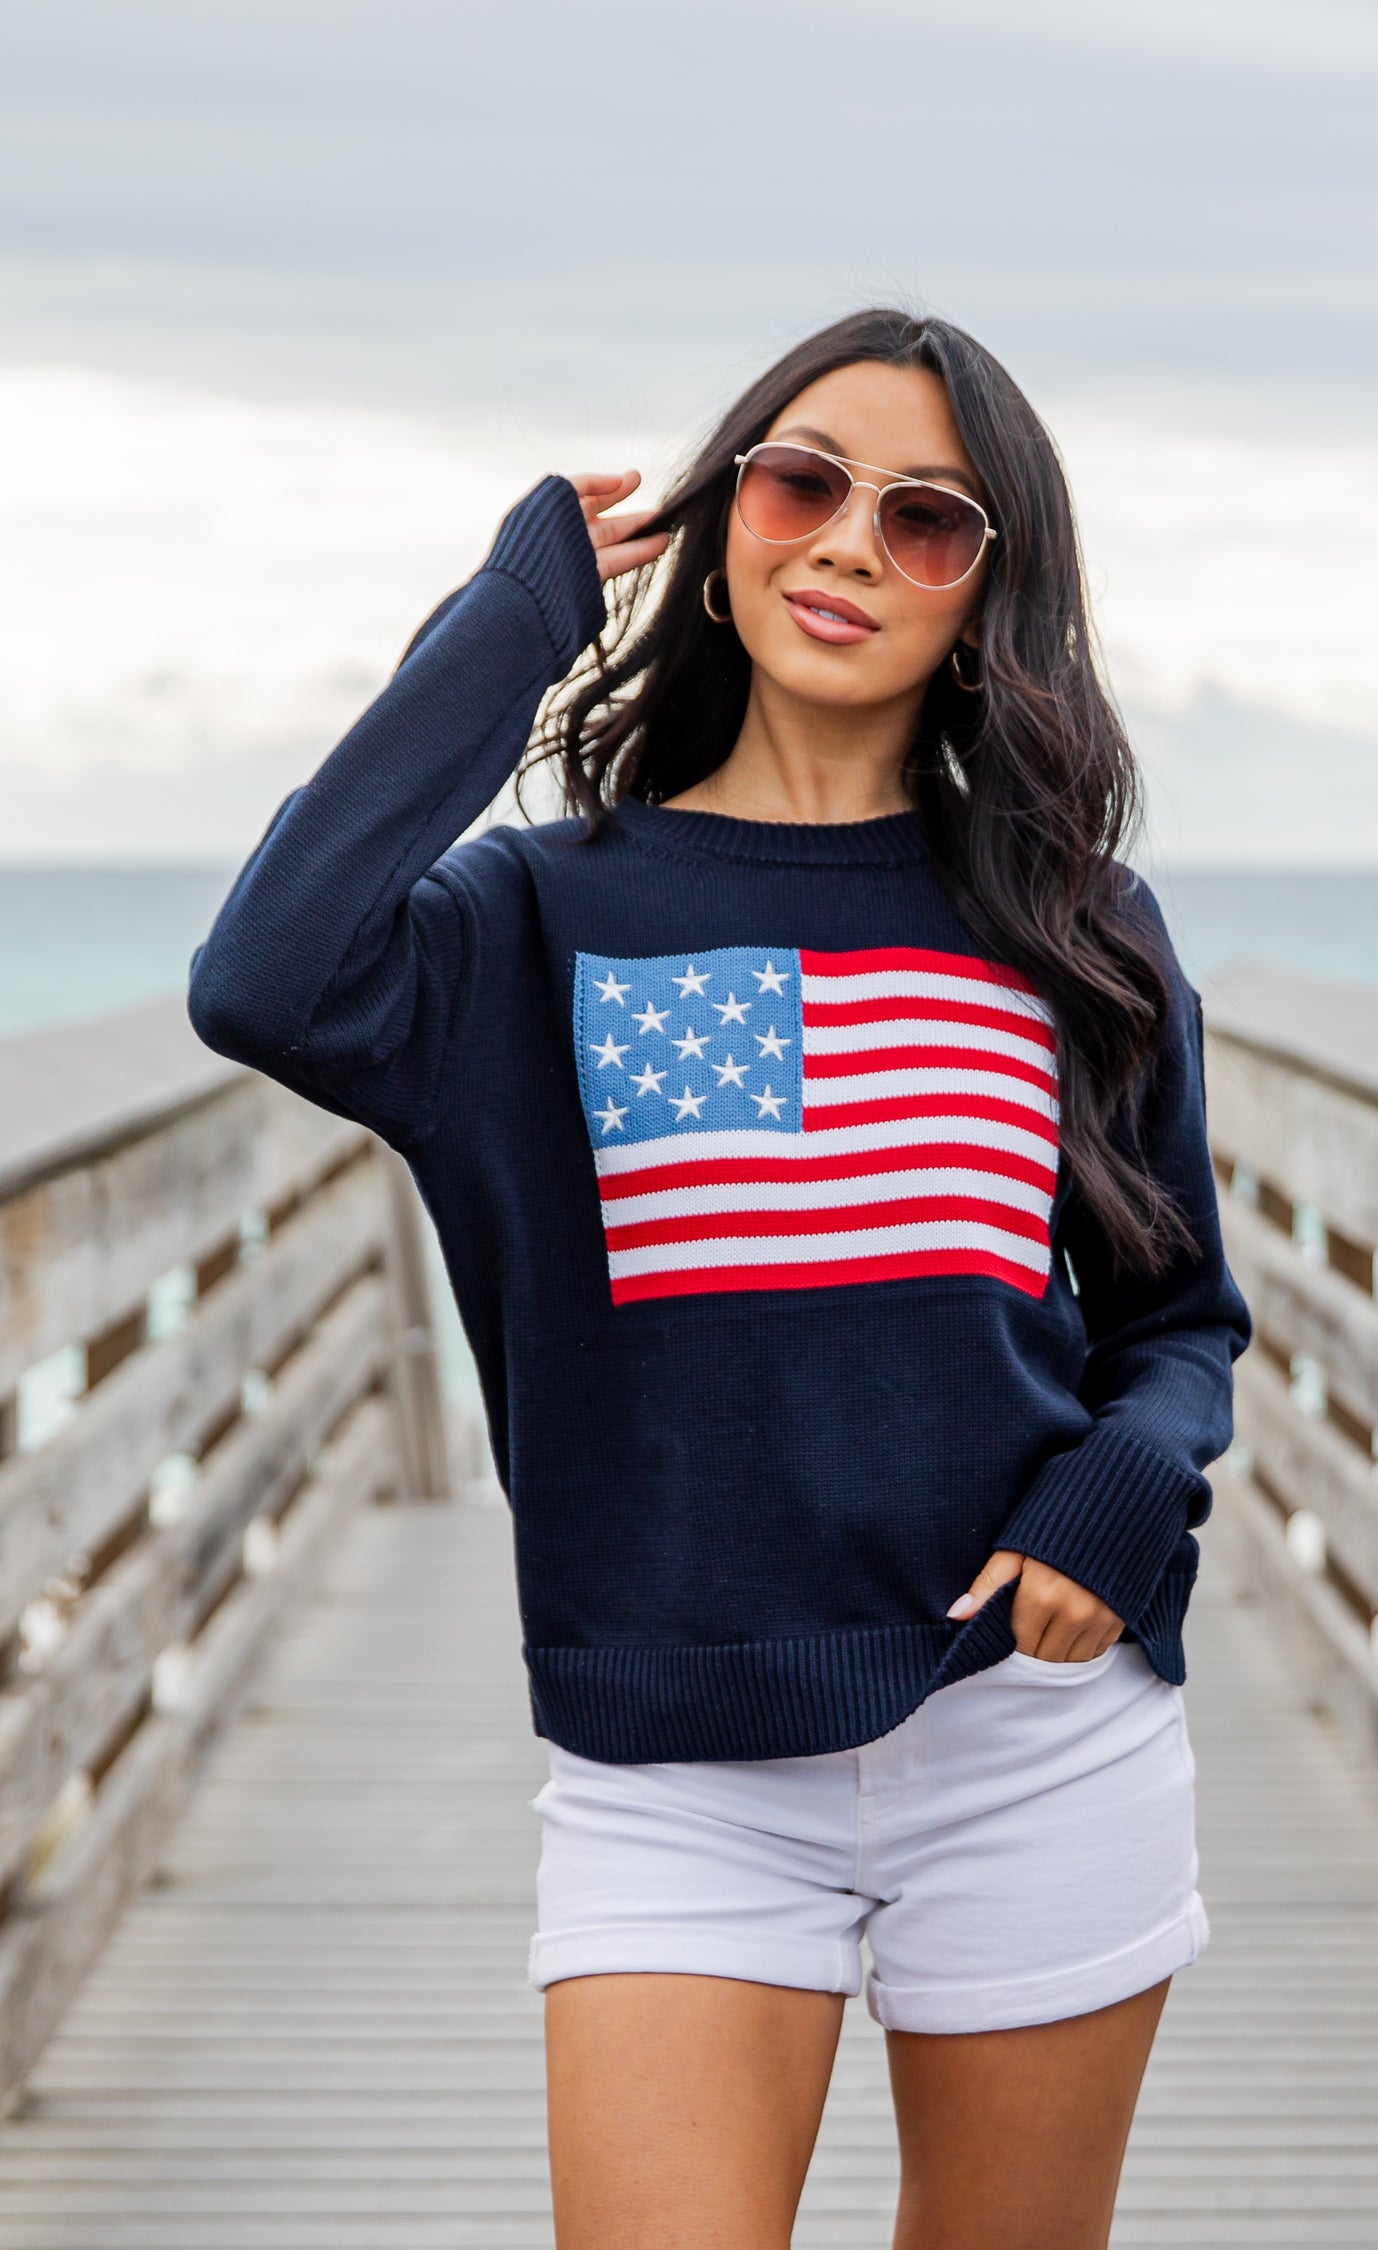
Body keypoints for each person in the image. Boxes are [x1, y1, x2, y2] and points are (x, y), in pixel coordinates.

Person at [188, 307, 1250, 2250]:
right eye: (802, 479)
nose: (849, 541)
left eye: (926, 519)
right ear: (726, 513)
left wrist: (1122, 1493)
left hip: (1027, 1734)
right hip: (677, 1760)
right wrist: (517, 617)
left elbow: (1179, 1321)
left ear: (991, 592)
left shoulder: (1071, 923)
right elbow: (264, 976)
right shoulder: (543, 911)